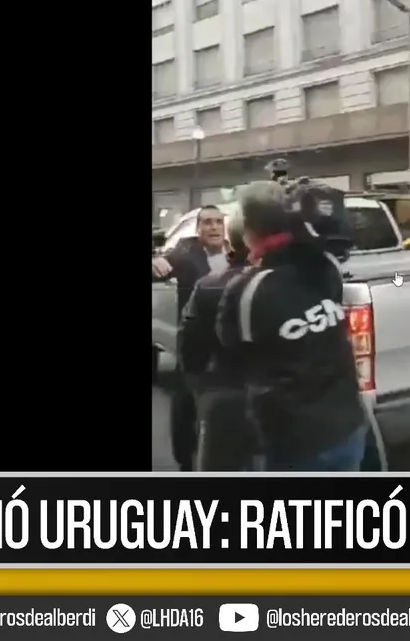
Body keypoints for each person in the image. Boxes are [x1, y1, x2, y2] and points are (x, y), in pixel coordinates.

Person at [217, 181, 367, 471]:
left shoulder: (247, 290)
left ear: (248, 231)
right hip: (348, 426)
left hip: (292, 442)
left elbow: (231, 354)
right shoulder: (326, 266)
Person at [152, 205, 228, 472]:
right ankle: (185, 461)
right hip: (195, 342)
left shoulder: (236, 252)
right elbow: (161, 266)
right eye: (207, 222)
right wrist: (154, 260)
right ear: (198, 229)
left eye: (218, 222)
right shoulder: (185, 254)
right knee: (186, 402)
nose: (214, 227)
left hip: (229, 344)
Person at [178, 214, 257, 471]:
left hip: (223, 397)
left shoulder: (208, 286)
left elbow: (189, 349)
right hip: (276, 400)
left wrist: (202, 391)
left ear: (230, 240)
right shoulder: (284, 282)